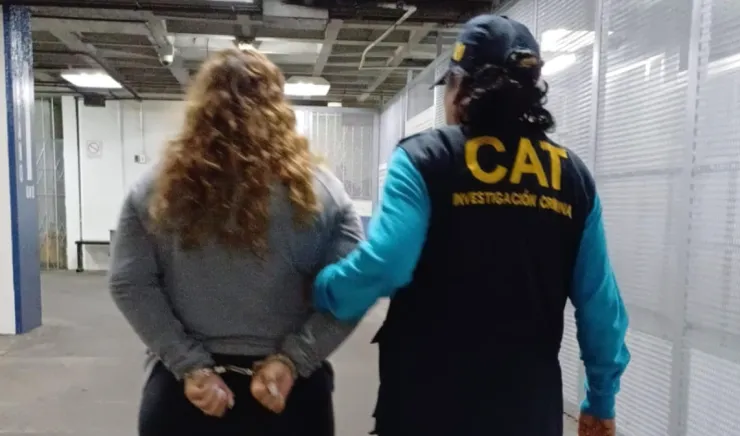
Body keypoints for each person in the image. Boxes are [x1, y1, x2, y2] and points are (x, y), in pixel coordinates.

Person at [312, 14, 630, 436]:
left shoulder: (424, 158)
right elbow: (600, 307)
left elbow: (387, 264)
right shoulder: (572, 178)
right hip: (526, 414)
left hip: (425, 408)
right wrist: (601, 399)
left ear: (459, 86)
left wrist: (325, 287)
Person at [109, 47, 363, 436]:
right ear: (278, 107)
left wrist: (190, 365)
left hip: (186, 401)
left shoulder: (154, 190)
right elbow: (355, 288)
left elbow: (129, 282)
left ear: (201, 106)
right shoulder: (324, 193)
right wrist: (294, 360)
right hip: (286, 400)